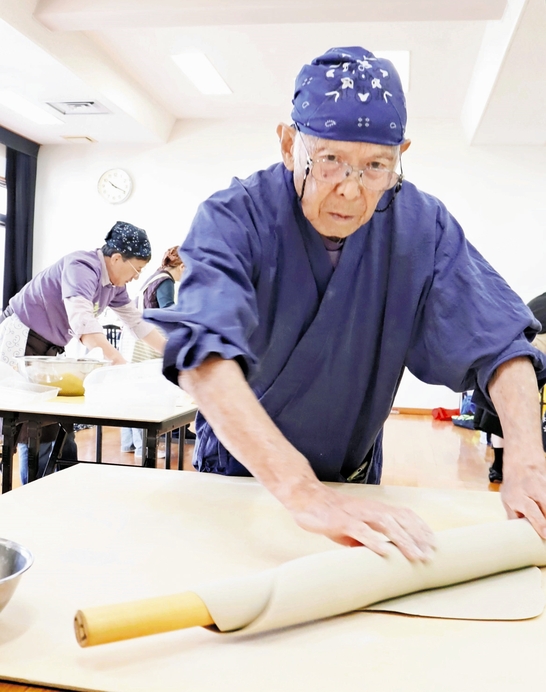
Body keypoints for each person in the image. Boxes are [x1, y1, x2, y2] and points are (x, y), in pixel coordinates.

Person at [147, 46, 546, 561]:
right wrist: (301, 490)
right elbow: (204, 358)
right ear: (289, 143)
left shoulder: (420, 226)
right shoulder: (235, 219)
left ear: (400, 154)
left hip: (356, 484)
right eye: (330, 160)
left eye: (376, 166)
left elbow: (501, 342)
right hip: (241, 482)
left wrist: (527, 461)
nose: (352, 192)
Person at [0, 221, 166, 483]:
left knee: (49, 421)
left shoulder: (114, 286)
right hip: (21, 339)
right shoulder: (81, 267)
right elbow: (82, 324)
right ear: (117, 258)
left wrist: (173, 354)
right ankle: (31, 493)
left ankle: (53, 487)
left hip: (48, 349)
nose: (136, 277)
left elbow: (137, 323)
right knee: (22, 422)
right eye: (137, 269)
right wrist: (120, 365)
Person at [120, 245, 186, 458]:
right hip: (146, 340)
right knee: (146, 392)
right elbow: (168, 312)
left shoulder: (154, 277)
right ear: (183, 266)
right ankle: (145, 448)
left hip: (134, 337)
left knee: (132, 391)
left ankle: (129, 443)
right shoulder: (166, 281)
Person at [479, 291, 546, 483]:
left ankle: (499, 466)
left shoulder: (538, 300)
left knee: (502, 405)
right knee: (515, 404)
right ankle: (505, 467)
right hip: (531, 350)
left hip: (512, 348)